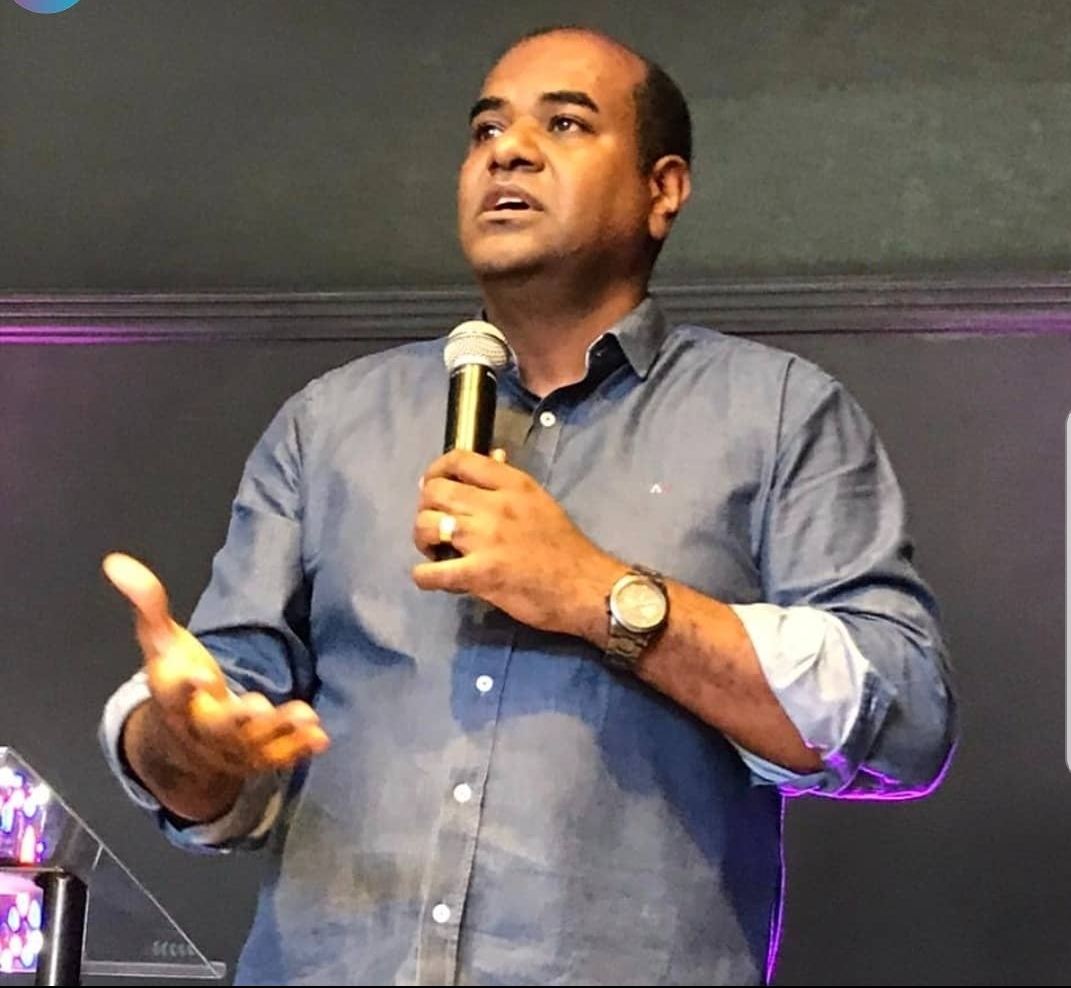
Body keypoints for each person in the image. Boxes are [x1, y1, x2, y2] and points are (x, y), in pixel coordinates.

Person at [99, 25, 956, 986]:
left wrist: (598, 593)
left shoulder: (780, 413)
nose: (507, 151)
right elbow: (220, 727)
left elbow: (904, 720)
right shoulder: (329, 423)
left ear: (662, 189)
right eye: (485, 130)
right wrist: (178, 741)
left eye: (565, 123)